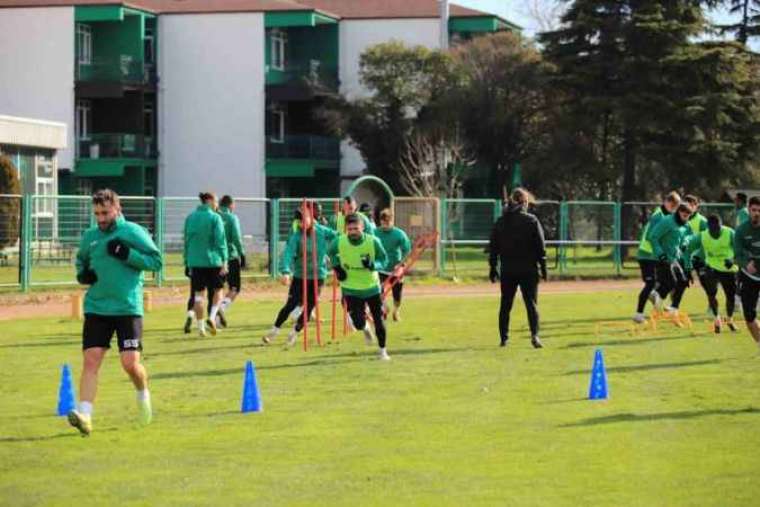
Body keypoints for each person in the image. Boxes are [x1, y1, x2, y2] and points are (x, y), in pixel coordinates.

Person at [67, 189, 162, 436]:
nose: (100, 218)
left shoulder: (132, 232)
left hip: (127, 307)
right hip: (97, 307)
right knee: (91, 360)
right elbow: (81, 262)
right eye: (96, 213)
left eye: (105, 213)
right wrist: (82, 274)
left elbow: (156, 261)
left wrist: (127, 254)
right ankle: (85, 415)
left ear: (117, 209)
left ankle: (143, 395)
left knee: (130, 364)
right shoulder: (90, 236)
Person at [263, 203, 337, 346]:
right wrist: (285, 271)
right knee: (290, 305)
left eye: (305, 220)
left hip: (318, 276)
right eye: (299, 221)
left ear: (311, 219)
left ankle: (295, 332)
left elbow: (338, 238)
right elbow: (287, 254)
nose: (302, 223)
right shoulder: (296, 236)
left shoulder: (322, 231)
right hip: (300, 276)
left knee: (309, 307)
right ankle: (274, 330)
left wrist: (332, 253)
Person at [488, 188, 547, 349]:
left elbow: (493, 248)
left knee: (505, 304)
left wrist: (493, 268)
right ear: (524, 203)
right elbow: (540, 247)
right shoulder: (531, 221)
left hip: (508, 270)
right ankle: (535, 335)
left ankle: (504, 338)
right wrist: (543, 267)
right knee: (531, 304)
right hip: (528, 269)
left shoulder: (501, 222)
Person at [328, 213, 390, 360]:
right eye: (350, 229)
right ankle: (365, 328)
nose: (353, 232)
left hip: (371, 287)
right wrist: (337, 268)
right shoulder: (339, 241)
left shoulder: (373, 241)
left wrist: (373, 265)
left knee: (379, 320)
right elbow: (330, 253)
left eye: (356, 228)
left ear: (363, 227)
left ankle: (383, 351)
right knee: (357, 323)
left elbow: (384, 260)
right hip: (350, 288)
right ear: (346, 230)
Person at [184, 192, 228, 337]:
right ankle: (212, 316)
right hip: (213, 261)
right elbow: (220, 241)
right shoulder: (215, 218)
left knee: (198, 296)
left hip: (195, 262)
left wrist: (187, 261)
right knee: (218, 291)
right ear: (209, 200)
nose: (217, 204)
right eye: (216, 201)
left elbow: (186, 241)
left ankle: (201, 328)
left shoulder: (190, 218)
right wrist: (224, 260)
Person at [633, 191, 681, 322]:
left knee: (669, 281)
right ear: (666, 202)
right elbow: (650, 236)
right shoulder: (658, 216)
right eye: (672, 206)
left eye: (675, 207)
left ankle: (655, 296)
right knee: (650, 283)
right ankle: (639, 314)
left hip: (655, 256)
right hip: (647, 254)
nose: (673, 209)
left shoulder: (666, 216)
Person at [688, 214, 738, 333]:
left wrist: (733, 260)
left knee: (730, 296)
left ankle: (730, 319)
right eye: (712, 229)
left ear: (721, 225)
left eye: (718, 228)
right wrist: (688, 265)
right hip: (711, 267)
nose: (715, 232)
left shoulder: (730, 233)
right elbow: (688, 248)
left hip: (728, 269)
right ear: (708, 227)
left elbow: (740, 250)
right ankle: (717, 319)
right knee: (711, 294)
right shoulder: (703, 235)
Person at [649, 203, 693, 316]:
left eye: (688, 216)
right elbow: (653, 237)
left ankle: (673, 309)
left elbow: (690, 235)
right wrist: (660, 254)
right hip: (662, 258)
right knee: (671, 282)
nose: (686, 218)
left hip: (674, 258)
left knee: (683, 281)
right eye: (684, 215)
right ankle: (655, 295)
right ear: (678, 212)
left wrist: (685, 242)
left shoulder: (686, 224)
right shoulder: (667, 221)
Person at [375, 208, 411, 321]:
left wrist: (401, 264)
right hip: (380, 267)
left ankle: (396, 310)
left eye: (387, 222)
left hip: (396, 268)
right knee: (376, 290)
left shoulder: (399, 234)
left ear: (392, 221)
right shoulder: (375, 232)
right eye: (383, 222)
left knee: (397, 293)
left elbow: (407, 250)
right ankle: (384, 307)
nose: (385, 224)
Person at [733, 196, 760, 349]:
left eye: (759, 211)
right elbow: (736, 255)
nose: (756, 213)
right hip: (749, 276)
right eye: (754, 210)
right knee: (749, 317)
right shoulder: (741, 230)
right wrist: (746, 263)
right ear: (749, 210)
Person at [215, 195, 245, 326]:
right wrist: (242, 254)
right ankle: (220, 311)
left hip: (215, 259)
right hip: (231, 257)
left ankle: (214, 316)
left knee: (218, 289)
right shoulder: (232, 218)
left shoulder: (214, 217)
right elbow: (237, 238)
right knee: (234, 288)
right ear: (230, 205)